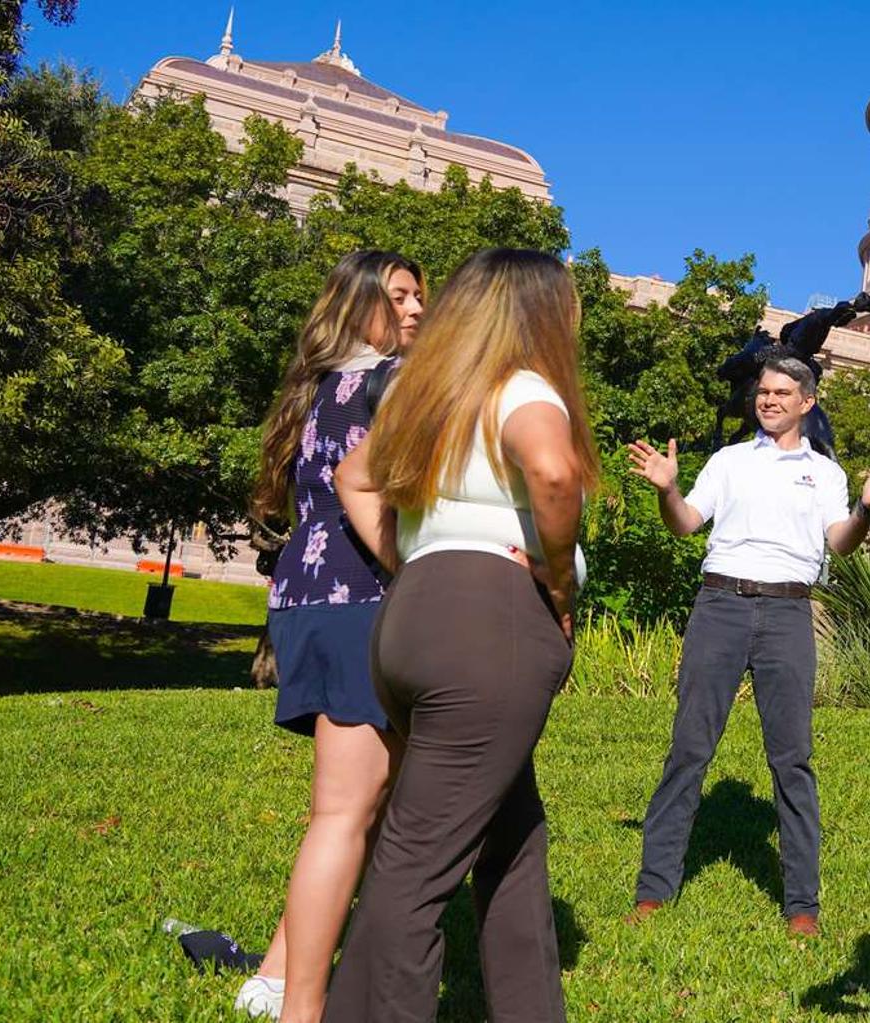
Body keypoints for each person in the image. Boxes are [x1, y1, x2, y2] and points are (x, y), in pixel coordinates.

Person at [325, 248, 595, 1023]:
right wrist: (558, 581)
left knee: (512, 838)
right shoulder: (524, 387)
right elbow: (553, 473)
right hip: (489, 625)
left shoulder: (428, 393)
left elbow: (353, 477)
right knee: (415, 868)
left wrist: (417, 558)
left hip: (412, 619)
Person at [625, 353, 870, 937]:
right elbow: (685, 523)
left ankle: (802, 905)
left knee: (792, 759)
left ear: (807, 402)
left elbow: (841, 543)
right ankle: (654, 891)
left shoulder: (825, 473)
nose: (769, 399)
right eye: (764, 391)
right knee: (689, 749)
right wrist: (667, 489)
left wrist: (866, 508)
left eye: (782, 392)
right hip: (720, 605)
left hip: (787, 612)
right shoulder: (728, 461)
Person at [236, 249, 424, 1022]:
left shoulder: (316, 388)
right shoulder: (390, 381)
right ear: (359, 305)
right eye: (399, 296)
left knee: (361, 805)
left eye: (419, 296)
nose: (416, 309)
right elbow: (371, 492)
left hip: (304, 598)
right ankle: (291, 997)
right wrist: (415, 574)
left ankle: (278, 972)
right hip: (359, 598)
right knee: (346, 812)